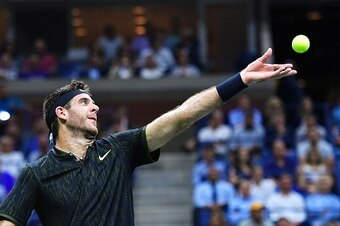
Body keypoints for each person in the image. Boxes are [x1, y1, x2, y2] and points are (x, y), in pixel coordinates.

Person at [0, 47, 297, 225]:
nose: (95, 108)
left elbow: (181, 117)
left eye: (93, 102)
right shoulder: (35, 174)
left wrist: (241, 80)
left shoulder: (118, 149)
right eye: (84, 102)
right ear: (61, 115)